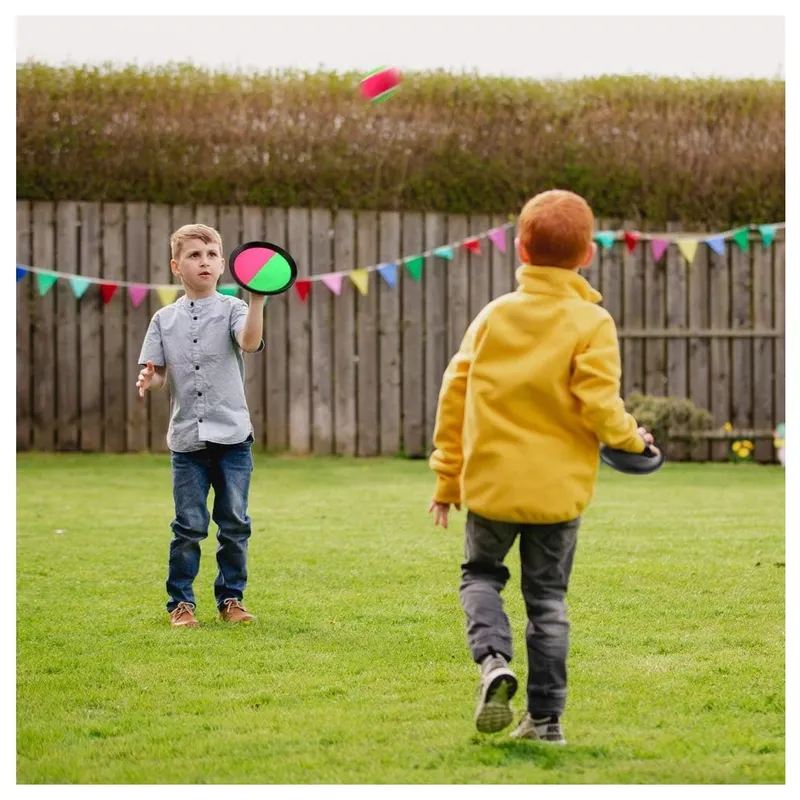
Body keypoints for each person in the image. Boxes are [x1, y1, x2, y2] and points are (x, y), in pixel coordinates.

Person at [428, 190, 657, 744]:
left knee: (481, 576)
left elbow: (453, 396)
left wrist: (446, 477)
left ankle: (493, 664)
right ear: (586, 256)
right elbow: (601, 402)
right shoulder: (591, 321)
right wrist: (634, 440)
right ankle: (547, 721)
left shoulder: (494, 316)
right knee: (548, 601)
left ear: (521, 250)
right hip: (557, 493)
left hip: (491, 487)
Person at [136, 223, 266, 629]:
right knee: (188, 526)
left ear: (223, 264)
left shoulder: (235, 309)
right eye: (194, 255)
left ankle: (231, 599)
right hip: (187, 442)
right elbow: (158, 374)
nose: (204, 261)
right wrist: (150, 379)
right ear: (177, 265)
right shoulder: (163, 319)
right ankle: (181, 604)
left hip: (233, 439)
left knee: (234, 524)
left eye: (211, 255)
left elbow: (248, 343)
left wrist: (258, 300)